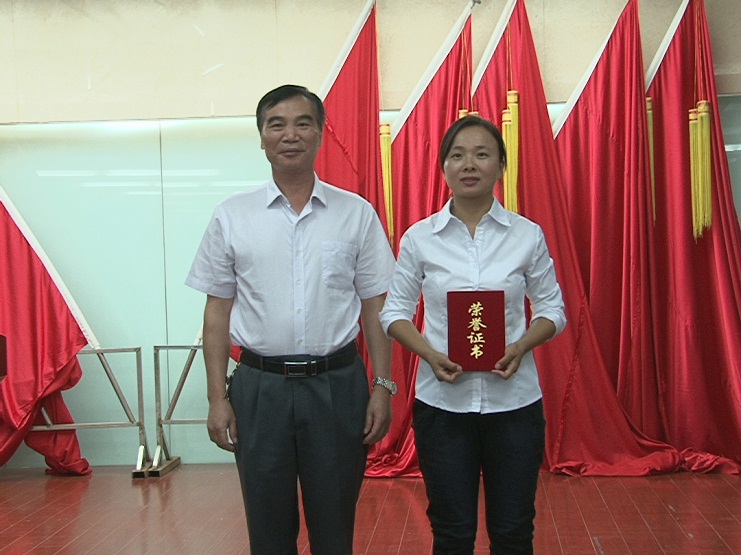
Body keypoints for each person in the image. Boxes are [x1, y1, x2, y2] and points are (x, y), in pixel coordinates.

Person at [186, 84, 397, 555]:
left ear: (320, 133)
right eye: (276, 124)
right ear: (261, 137)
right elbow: (217, 312)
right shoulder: (232, 216)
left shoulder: (355, 214)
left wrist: (383, 386)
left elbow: (376, 307)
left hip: (337, 387)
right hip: (260, 389)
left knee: (334, 525)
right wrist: (217, 398)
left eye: (303, 123)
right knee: (268, 528)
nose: (290, 135)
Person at [380, 115, 566, 554]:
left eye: (482, 154)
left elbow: (553, 310)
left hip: (514, 406)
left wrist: (522, 345)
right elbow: (394, 313)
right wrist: (429, 354)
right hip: (442, 408)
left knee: (514, 530)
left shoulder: (526, 235)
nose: (469, 164)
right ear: (443, 167)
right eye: (457, 155)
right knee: (452, 533)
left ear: (500, 165)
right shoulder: (420, 238)